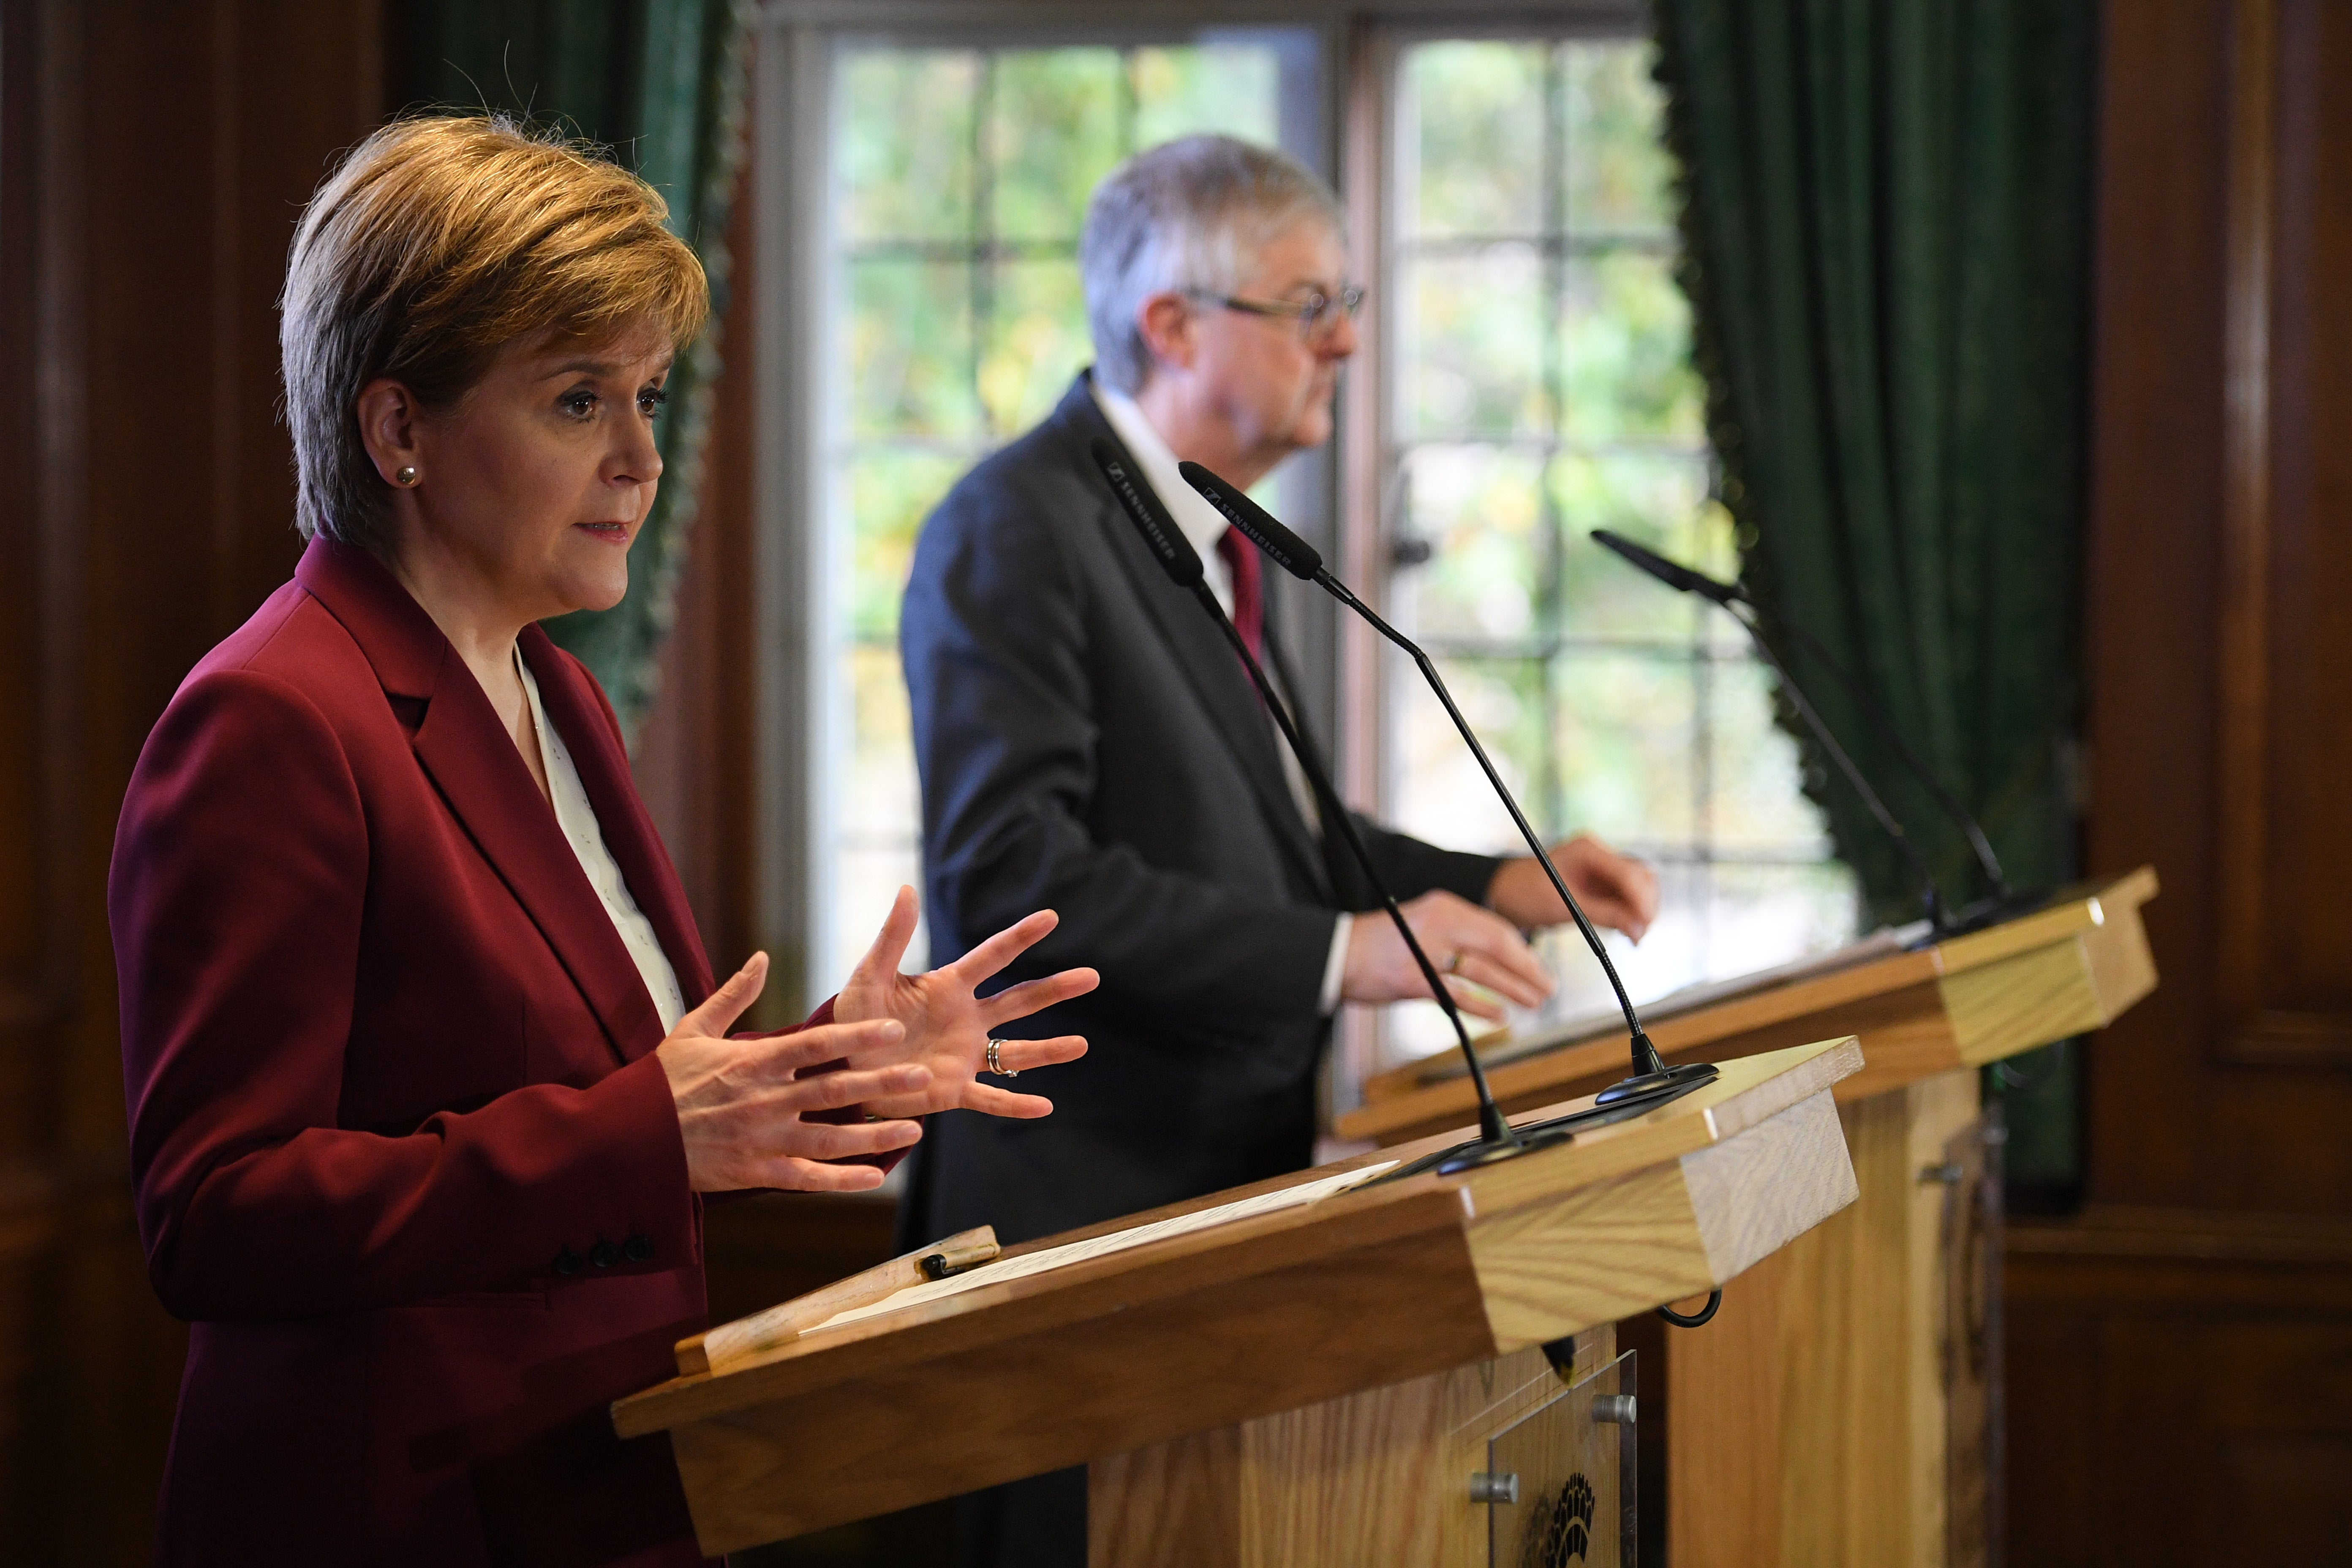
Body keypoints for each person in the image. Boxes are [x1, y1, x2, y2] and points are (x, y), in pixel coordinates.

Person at [109, 115, 1094, 1566]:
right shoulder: (274, 718)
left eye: (647, 394)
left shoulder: (553, 687)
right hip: (399, 1511)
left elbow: (612, 1096)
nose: (642, 457)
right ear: (400, 432)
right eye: (580, 403)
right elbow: (216, 1213)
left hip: (595, 1481)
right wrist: (651, 1131)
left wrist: (831, 1060)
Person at [896, 134, 1661, 1566]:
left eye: (1347, 302)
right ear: (1170, 323)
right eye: (1309, 305)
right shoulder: (1017, 524)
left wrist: (1499, 878)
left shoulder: (1227, 530)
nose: (1349, 340)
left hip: (1216, 1195)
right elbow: (1017, 880)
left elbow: (1274, 826)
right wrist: (1341, 951)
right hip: (1078, 1211)